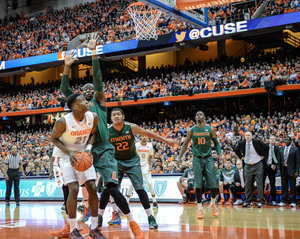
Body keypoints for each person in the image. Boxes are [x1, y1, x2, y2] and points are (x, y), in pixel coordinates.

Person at [60, 34, 144, 239]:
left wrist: (93, 53)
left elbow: (97, 79)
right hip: (84, 150)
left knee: (112, 187)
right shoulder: (79, 106)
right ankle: (69, 227)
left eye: (91, 89)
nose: (89, 90)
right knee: (70, 188)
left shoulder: (100, 102)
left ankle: (132, 222)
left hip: (104, 149)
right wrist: (67, 66)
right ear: (80, 96)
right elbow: (64, 89)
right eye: (85, 89)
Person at [107, 108, 177, 228]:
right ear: (111, 118)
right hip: (116, 162)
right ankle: (113, 214)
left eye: (119, 114)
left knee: (140, 189)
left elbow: (148, 134)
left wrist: (166, 140)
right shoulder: (107, 131)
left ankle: (150, 217)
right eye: (114, 115)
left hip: (132, 161)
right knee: (111, 188)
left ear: (123, 116)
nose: (116, 116)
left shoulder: (131, 127)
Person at [51, 93, 104, 239]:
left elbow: (92, 134)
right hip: (66, 155)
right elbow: (53, 139)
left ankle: (94, 228)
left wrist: (88, 149)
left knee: (92, 188)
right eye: (82, 100)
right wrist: (69, 152)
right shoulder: (63, 121)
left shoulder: (93, 117)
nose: (86, 101)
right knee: (73, 188)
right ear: (74, 106)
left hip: (83, 154)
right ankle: (73, 229)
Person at [178, 111, 222, 219]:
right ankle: (200, 209)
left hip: (208, 158)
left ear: (204, 117)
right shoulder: (192, 130)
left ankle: (212, 203)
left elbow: (216, 143)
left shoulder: (210, 129)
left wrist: (220, 153)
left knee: (213, 183)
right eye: (197, 115)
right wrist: (179, 157)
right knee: (198, 184)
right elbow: (185, 144)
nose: (198, 116)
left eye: (201, 114)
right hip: (197, 158)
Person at [234, 131, 269, 208]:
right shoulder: (241, 143)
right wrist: (241, 157)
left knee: (259, 184)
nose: (248, 136)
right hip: (247, 165)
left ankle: (260, 201)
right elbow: (235, 150)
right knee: (248, 184)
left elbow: (267, 147)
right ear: (244, 137)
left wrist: (263, 156)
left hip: (258, 165)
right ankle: (248, 201)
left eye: (249, 135)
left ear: (252, 136)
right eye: (246, 135)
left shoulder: (257, 142)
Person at [126, 135, 159, 210]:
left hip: (146, 167)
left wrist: (150, 165)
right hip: (137, 167)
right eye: (143, 137)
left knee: (150, 183)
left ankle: (155, 202)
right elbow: (132, 155)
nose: (144, 138)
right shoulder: (136, 145)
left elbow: (150, 157)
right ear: (140, 138)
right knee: (131, 184)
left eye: (145, 137)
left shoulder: (150, 146)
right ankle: (126, 202)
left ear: (147, 138)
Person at [49, 146, 70, 238]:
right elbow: (52, 159)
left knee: (68, 187)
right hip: (57, 167)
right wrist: (50, 172)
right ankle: (65, 203)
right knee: (63, 186)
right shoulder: (56, 147)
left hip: (66, 166)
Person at [277, 136, 300, 207]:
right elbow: (279, 161)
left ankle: (293, 201)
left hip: (292, 170)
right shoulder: (281, 149)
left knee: (292, 186)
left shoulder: (295, 149)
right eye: (286, 140)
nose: (287, 141)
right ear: (284, 141)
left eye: (288, 140)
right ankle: (283, 200)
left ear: (291, 141)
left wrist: (297, 171)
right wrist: (278, 169)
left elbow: (298, 161)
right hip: (283, 169)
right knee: (284, 186)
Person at [264, 135, 280, 206]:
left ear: (276, 140)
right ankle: (261, 200)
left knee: (273, 184)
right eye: (271, 139)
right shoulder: (265, 147)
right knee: (261, 183)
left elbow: (278, 158)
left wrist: (275, 165)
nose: (272, 140)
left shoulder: (277, 148)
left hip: (272, 168)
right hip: (265, 167)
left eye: (274, 139)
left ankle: (273, 200)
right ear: (269, 140)